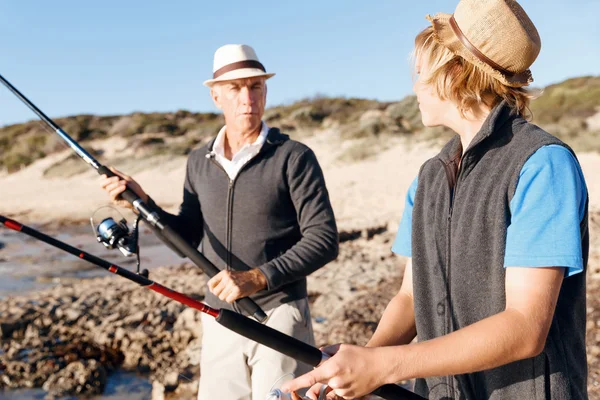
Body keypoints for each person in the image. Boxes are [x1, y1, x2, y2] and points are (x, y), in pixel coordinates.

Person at [282, 1, 589, 399]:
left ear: (455, 72)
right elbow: (411, 297)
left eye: (421, 72)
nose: (414, 87)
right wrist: (356, 366)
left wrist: (383, 366)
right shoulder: (430, 176)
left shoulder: (543, 164)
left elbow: (525, 328)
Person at [100, 44, 339, 400]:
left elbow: (323, 239)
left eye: (255, 87)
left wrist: (257, 278)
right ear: (216, 96)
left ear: (265, 92)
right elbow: (186, 236)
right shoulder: (199, 161)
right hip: (218, 317)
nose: (247, 98)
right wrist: (142, 203)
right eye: (235, 88)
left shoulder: (293, 157)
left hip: (280, 314)